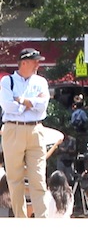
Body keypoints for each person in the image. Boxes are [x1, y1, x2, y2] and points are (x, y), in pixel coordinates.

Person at [0, 47, 50, 218]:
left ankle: (42, 219)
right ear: (24, 62)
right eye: (35, 61)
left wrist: (19, 100)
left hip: (36, 129)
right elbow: (6, 106)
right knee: (15, 179)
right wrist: (30, 103)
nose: (38, 64)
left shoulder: (41, 81)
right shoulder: (8, 81)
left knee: (39, 178)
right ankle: (21, 221)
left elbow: (43, 106)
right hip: (12, 129)